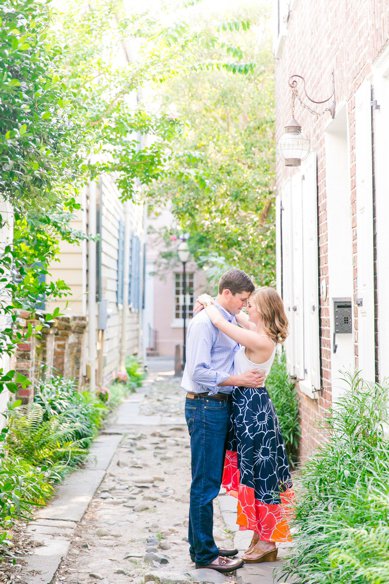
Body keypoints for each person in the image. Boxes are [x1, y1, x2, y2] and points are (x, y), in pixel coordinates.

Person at [197, 286, 293, 564]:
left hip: (254, 412)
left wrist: (207, 300)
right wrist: (224, 305)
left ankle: (267, 541)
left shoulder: (261, 341)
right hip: (246, 407)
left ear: (262, 309)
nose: (246, 307)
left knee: (262, 475)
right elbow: (234, 317)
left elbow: (219, 321)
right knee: (251, 472)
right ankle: (261, 536)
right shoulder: (256, 330)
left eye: (251, 304)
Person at [182, 268, 267, 573]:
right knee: (204, 483)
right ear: (227, 293)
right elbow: (199, 372)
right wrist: (239, 379)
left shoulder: (225, 317)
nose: (245, 305)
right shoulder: (205, 323)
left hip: (216, 405)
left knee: (209, 481)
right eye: (242, 299)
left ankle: (202, 546)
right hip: (205, 405)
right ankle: (204, 555)